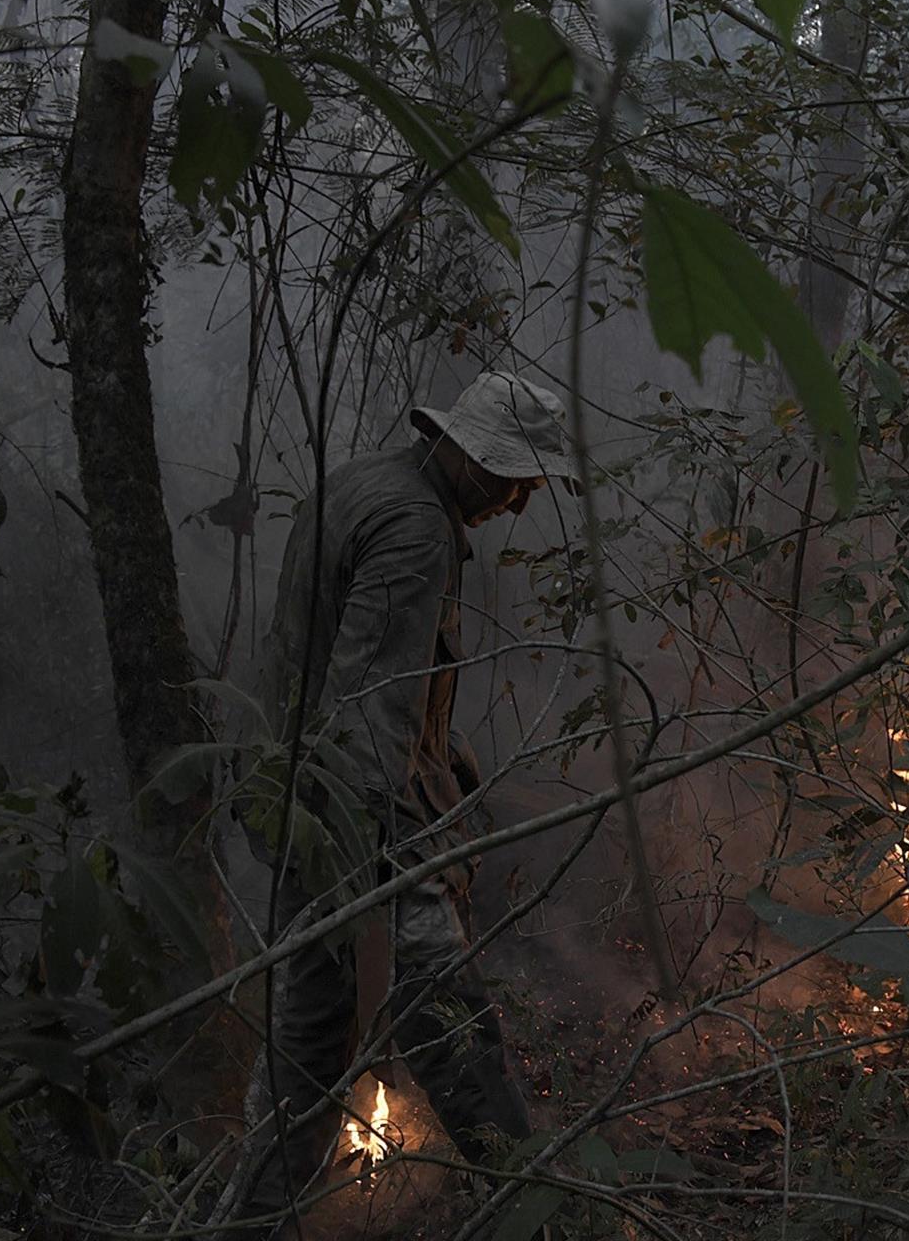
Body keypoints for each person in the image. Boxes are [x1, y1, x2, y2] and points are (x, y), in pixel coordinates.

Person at [231, 370, 578, 1237]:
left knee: (308, 1053)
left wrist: (442, 760)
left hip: (302, 805)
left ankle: (248, 1223)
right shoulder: (418, 532)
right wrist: (403, 856)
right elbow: (364, 709)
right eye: (513, 479)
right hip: (355, 822)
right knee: (451, 1021)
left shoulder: (359, 483)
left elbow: (334, 666)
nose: (518, 504)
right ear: (465, 455)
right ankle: (537, 1216)